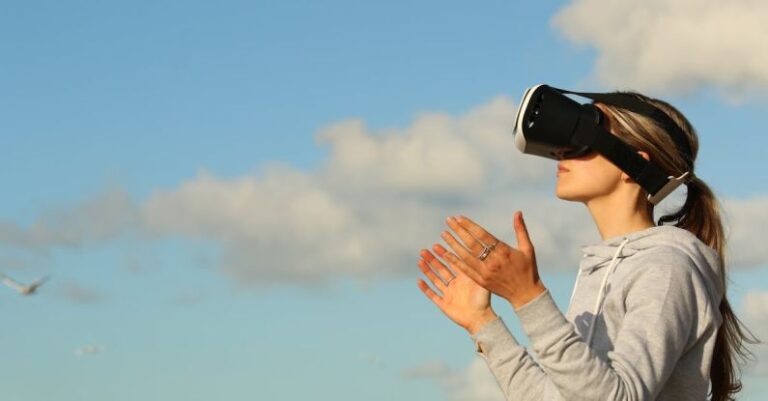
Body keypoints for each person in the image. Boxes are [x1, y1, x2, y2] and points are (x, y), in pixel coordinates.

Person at [416, 91, 755, 401]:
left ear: (633, 164)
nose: (561, 150)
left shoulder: (666, 268)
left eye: (584, 134)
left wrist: (528, 297)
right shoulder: (600, 270)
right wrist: (483, 323)